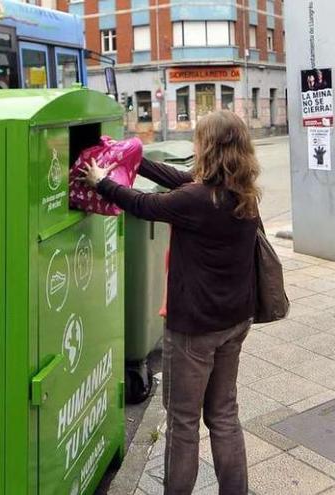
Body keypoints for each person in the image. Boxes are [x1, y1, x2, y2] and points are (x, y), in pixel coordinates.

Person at [80, 110, 260, 495]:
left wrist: (101, 182)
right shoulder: (241, 191)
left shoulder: (196, 200)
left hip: (195, 329)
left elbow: (145, 205)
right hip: (234, 321)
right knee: (224, 414)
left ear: (207, 147)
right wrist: (135, 159)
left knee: (182, 423)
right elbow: (180, 180)